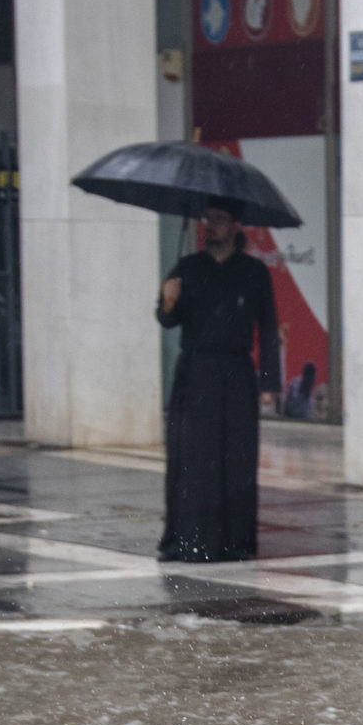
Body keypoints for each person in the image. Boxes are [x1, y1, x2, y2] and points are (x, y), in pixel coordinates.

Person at [155, 200, 280, 562]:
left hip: (236, 374)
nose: (211, 225)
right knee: (191, 459)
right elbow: (167, 319)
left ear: (236, 225)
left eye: (220, 220)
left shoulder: (254, 272)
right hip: (195, 373)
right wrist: (167, 301)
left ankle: (236, 542)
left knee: (237, 459)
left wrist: (268, 384)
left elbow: (268, 328)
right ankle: (186, 541)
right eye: (208, 219)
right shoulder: (188, 268)